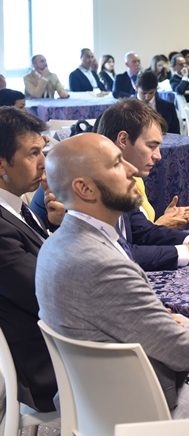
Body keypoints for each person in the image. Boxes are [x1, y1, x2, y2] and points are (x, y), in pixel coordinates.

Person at [37, 133, 189, 419]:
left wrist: (165, 317)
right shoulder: (105, 265)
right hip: (151, 408)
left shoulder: (54, 245)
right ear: (84, 188)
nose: (132, 170)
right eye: (117, 164)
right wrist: (180, 319)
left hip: (96, 401)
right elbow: (186, 352)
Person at [96, 98, 189, 270]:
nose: (158, 156)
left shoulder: (123, 181)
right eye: (151, 146)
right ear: (123, 140)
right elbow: (117, 254)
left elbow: (143, 231)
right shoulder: (95, 188)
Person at [0, 108, 60, 413]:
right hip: (45, 364)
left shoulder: (18, 208)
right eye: (33, 153)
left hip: (54, 342)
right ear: (1, 164)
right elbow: (47, 293)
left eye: (43, 152)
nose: (43, 163)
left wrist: (60, 226)